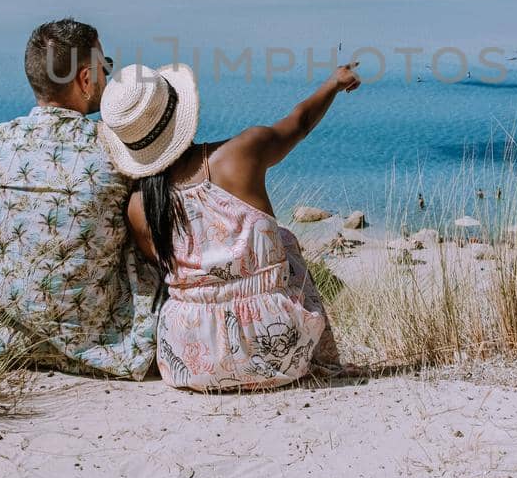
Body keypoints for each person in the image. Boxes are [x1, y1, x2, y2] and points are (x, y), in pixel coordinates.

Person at [98, 59, 359, 391]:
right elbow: (300, 122)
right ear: (179, 111)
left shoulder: (138, 205)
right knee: (284, 240)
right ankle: (322, 360)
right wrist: (334, 83)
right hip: (280, 355)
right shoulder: (240, 154)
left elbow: (160, 265)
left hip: (188, 362)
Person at [0, 18, 159, 379]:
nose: (108, 77)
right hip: (98, 343)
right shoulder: (113, 149)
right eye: (105, 67)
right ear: (85, 80)